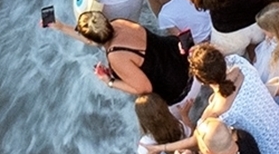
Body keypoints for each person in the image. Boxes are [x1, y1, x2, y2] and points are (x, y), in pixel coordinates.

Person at [50, 10, 193, 105]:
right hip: (185, 57)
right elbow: (94, 37)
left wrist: (110, 81)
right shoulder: (119, 23)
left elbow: (144, 88)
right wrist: (62, 27)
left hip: (180, 87)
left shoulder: (116, 56)